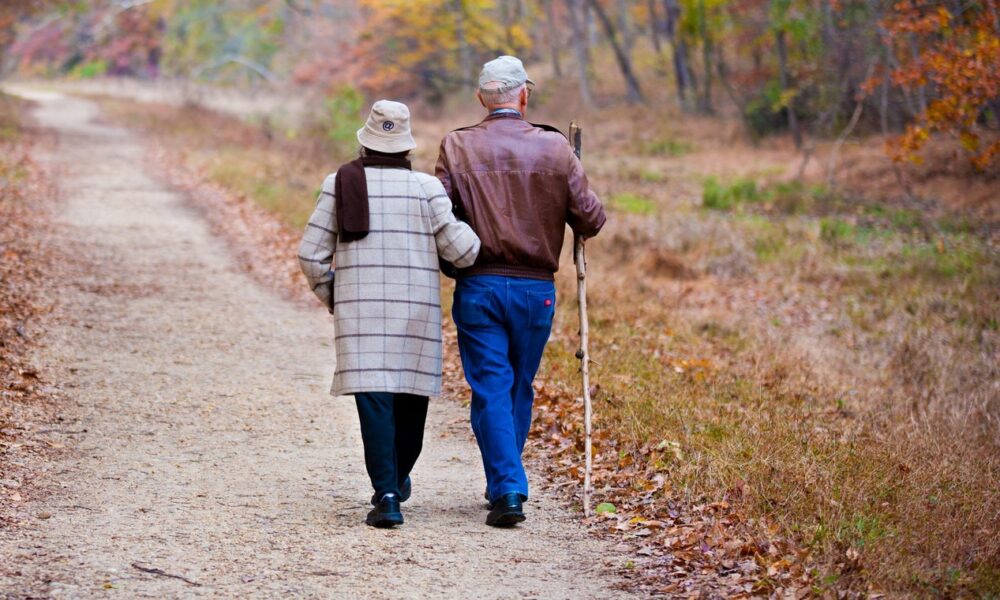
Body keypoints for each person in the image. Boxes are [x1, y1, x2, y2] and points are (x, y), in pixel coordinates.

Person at [435, 56, 606, 527]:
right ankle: (507, 485)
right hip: (536, 291)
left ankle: (505, 485)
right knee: (516, 386)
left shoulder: (457, 145)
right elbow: (591, 218)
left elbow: (437, 213)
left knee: (491, 386)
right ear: (523, 95)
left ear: (481, 99)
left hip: (479, 283)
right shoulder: (554, 148)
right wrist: (571, 173)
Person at [299, 100, 480, 528]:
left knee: (374, 401)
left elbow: (311, 255)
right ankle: (396, 481)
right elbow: (464, 252)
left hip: (360, 316)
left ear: (364, 143)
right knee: (409, 401)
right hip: (414, 313)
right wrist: (471, 225)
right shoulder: (426, 189)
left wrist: (334, 296)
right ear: (407, 148)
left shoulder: (339, 184)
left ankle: (387, 493)